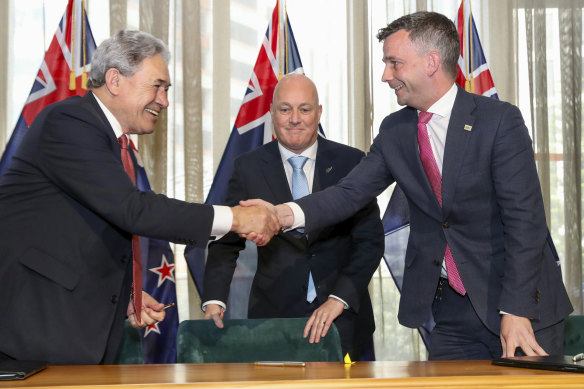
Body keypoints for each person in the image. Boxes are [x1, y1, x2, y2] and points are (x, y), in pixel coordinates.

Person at [245, 12, 573, 360]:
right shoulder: (396, 130)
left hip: (520, 309)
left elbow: (526, 222)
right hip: (452, 313)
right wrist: (282, 214)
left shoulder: (498, 121)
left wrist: (516, 309)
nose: (386, 75)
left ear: (431, 62)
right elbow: (349, 192)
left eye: (394, 63)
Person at [0, 30, 279, 365]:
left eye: (167, 90)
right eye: (157, 86)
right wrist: (235, 218)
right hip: (34, 329)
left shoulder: (113, 143)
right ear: (115, 80)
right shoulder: (69, 121)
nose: (164, 100)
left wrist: (126, 293)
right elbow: (131, 210)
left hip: (73, 329)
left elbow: (81, 229)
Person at [202, 73, 384, 360]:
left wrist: (339, 299)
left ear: (319, 112)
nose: (295, 118)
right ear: (272, 113)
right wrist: (214, 300)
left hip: (344, 319)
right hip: (273, 320)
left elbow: (370, 242)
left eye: (305, 109)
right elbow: (226, 241)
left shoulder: (352, 162)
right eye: (285, 109)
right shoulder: (247, 167)